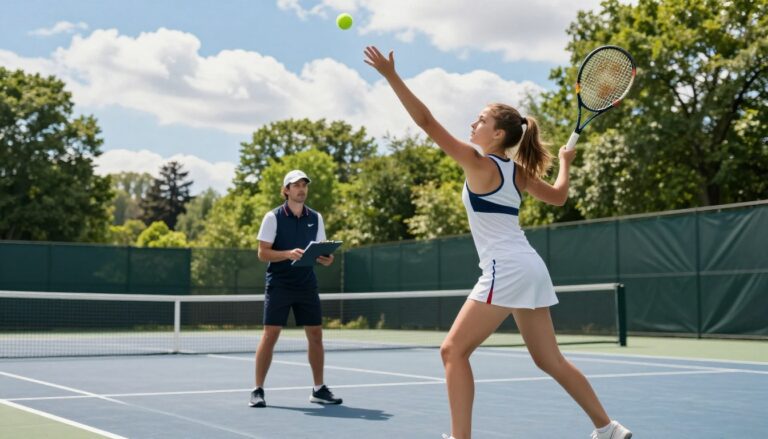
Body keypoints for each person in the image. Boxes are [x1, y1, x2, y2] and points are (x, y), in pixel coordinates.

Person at [363, 46, 631, 439]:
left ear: (499, 134)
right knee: (548, 359)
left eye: (482, 119)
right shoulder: (517, 172)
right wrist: (567, 166)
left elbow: (424, 120)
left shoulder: (479, 161)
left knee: (452, 351)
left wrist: (390, 75)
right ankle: (607, 428)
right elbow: (558, 196)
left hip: (505, 267)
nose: (474, 123)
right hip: (529, 266)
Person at [249, 169, 342, 408]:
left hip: (306, 284)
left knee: (316, 335)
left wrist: (327, 258)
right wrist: (287, 254)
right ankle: (257, 390)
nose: (301, 189)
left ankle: (319, 389)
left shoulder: (316, 217)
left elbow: (321, 250)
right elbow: (263, 253)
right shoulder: (273, 217)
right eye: (296, 185)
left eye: (304, 185)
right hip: (279, 283)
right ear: (286, 190)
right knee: (271, 335)